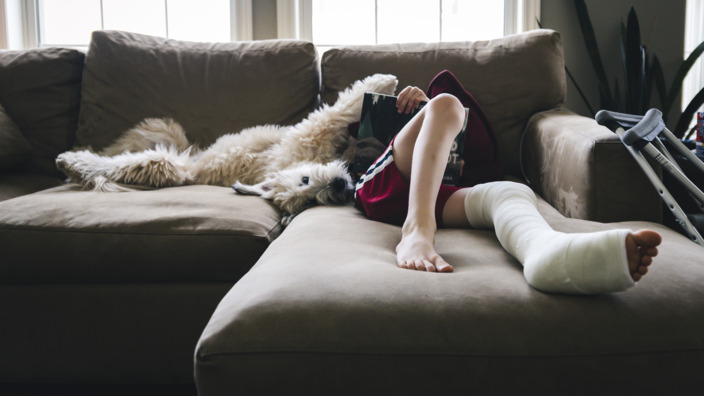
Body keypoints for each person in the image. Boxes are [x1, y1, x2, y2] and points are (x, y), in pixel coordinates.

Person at [355, 86, 662, 294]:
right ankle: (417, 229)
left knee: (509, 193)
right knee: (447, 104)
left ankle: (546, 252)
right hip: (382, 182)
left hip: (438, 193)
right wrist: (423, 106)